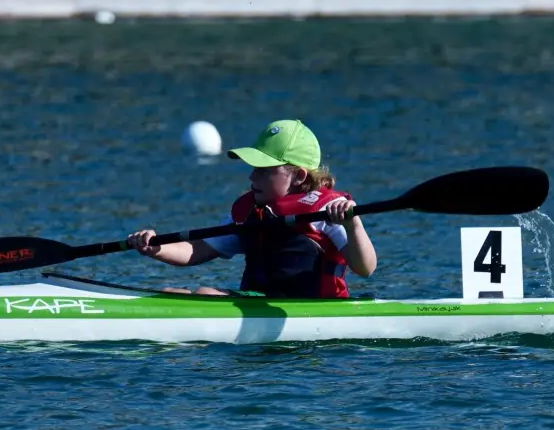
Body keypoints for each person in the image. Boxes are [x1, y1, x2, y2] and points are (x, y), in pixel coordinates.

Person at [126, 119, 376, 298]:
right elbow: (197, 249)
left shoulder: (328, 211)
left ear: (299, 176)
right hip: (258, 299)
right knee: (169, 293)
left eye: (264, 170)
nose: (252, 178)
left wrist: (352, 224)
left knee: (204, 293)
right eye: (253, 168)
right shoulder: (249, 211)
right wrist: (156, 248)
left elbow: (365, 268)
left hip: (315, 308)